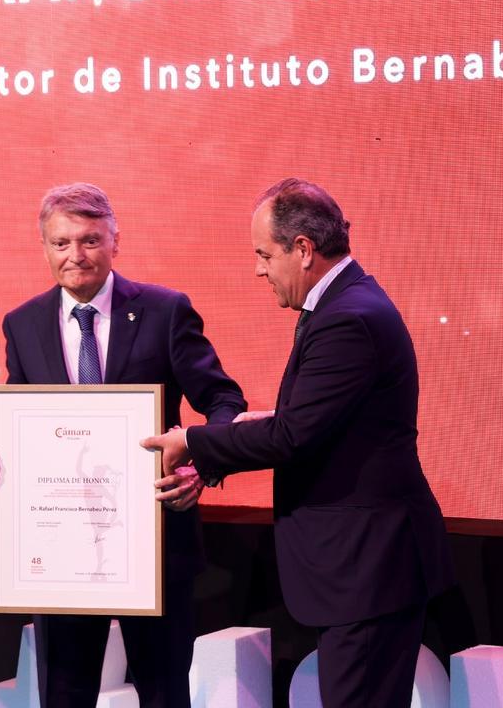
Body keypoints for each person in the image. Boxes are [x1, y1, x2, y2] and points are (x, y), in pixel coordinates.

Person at [142, 178, 454, 708]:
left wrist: (193, 441)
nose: (259, 269)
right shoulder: (344, 304)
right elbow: (315, 419)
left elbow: (293, 435)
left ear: (303, 249)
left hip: (367, 570)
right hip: (364, 569)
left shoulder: (348, 319)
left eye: (265, 254)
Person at [0, 183, 245, 708]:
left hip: (155, 540)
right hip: (61, 553)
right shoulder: (22, 323)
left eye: (90, 241)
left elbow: (223, 399)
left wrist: (199, 463)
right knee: (64, 696)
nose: (76, 256)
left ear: (116, 241)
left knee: (164, 694)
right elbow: (25, 423)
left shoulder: (166, 312)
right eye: (61, 243)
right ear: (45, 247)